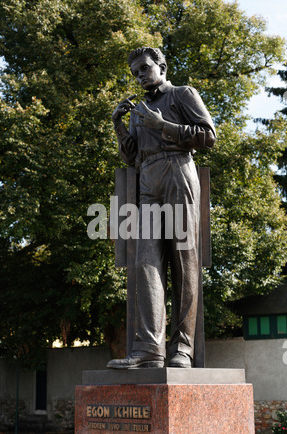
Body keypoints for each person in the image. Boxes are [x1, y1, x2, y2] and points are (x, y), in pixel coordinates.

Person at [107, 47, 216, 369]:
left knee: (184, 261)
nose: (140, 75)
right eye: (135, 72)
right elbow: (131, 156)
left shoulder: (182, 94)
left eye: (144, 68)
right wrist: (119, 124)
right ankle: (149, 350)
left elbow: (208, 136)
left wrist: (161, 125)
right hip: (147, 179)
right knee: (145, 262)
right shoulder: (138, 109)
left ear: (162, 67)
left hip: (178, 171)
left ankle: (182, 347)